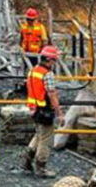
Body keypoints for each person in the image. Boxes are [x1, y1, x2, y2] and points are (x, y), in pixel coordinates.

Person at [22, 45, 64, 178]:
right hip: (45, 110)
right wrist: (59, 113)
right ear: (50, 60)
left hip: (34, 108)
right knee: (46, 139)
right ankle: (41, 167)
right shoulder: (48, 74)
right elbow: (51, 94)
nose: (55, 63)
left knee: (39, 135)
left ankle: (27, 160)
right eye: (54, 60)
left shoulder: (33, 71)